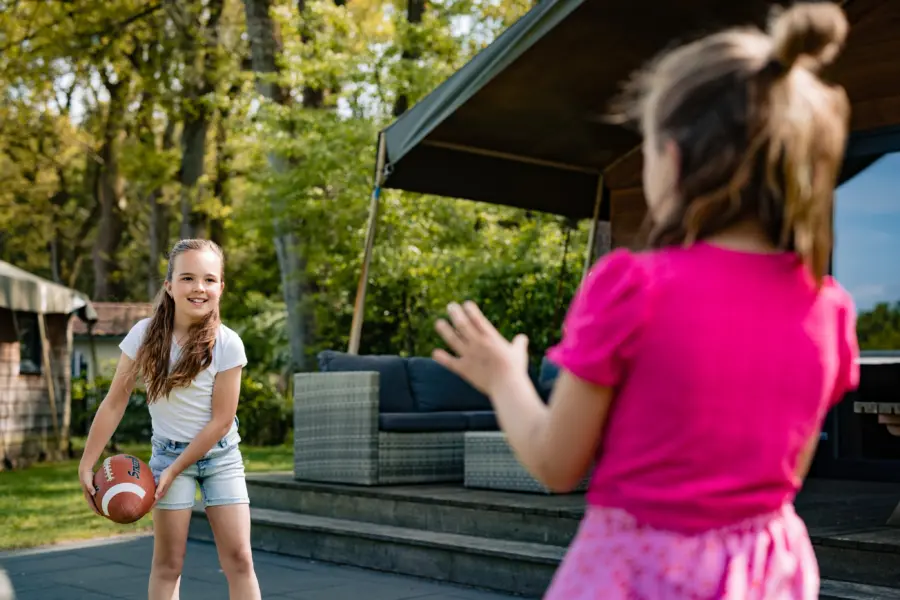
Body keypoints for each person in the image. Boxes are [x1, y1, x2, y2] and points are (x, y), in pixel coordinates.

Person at [432, 3, 858, 598]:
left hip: (642, 569)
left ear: (674, 160)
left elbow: (557, 464)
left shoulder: (634, 286)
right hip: (768, 571)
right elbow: (783, 472)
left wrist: (505, 376)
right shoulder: (830, 308)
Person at [78, 239, 261, 600]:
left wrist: (176, 469)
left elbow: (222, 421)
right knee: (168, 564)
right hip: (166, 455)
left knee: (239, 559)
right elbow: (115, 403)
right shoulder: (144, 336)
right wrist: (87, 464)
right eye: (188, 278)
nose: (199, 288)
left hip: (220, 457)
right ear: (169, 285)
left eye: (209, 279)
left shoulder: (228, 344)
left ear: (221, 287)